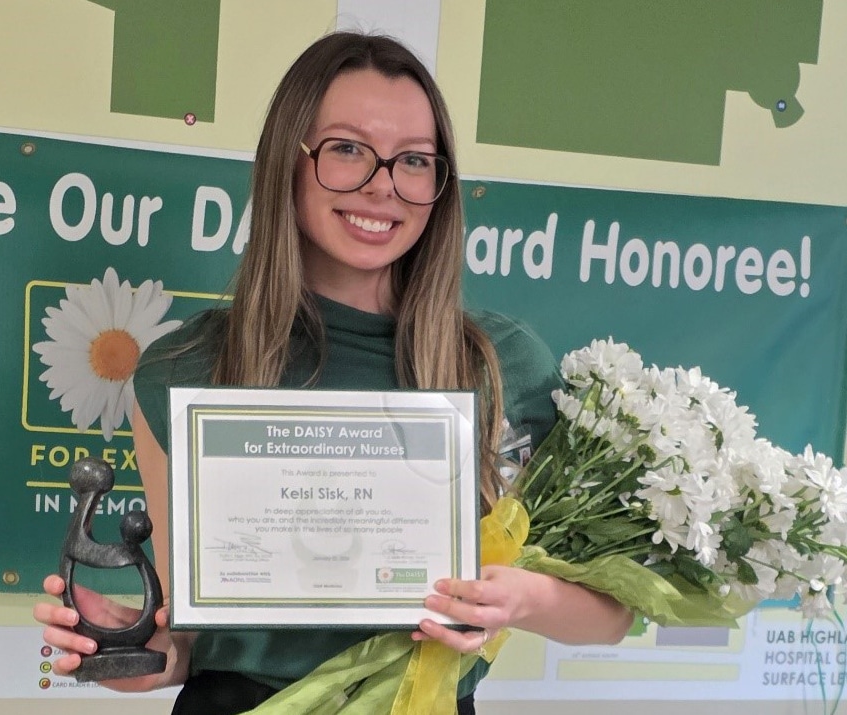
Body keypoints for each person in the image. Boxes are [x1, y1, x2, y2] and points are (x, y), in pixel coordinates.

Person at [34, 31, 632, 714]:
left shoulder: (504, 363)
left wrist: (521, 598)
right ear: (287, 162)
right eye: (347, 149)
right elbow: (193, 636)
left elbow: (610, 617)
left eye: (414, 160)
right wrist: (132, 651)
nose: (382, 185)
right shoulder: (185, 367)